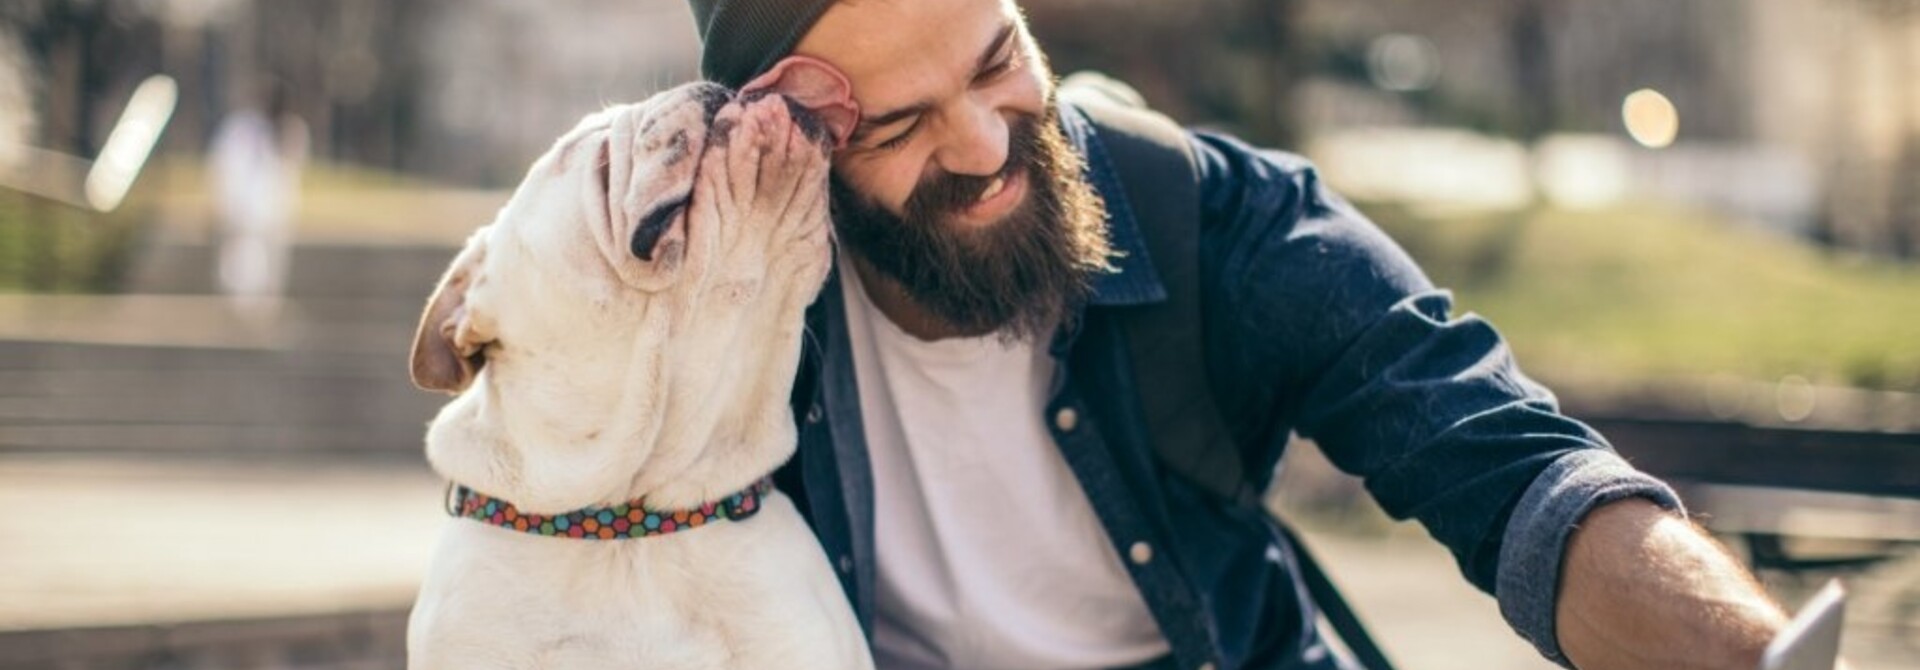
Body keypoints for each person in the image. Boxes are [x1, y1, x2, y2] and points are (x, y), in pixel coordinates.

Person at [684, 1, 1805, 668]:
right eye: (897, 123)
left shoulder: (1211, 217)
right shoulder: (716, 317)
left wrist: (1745, 657)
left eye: (995, 63)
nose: (983, 146)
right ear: (787, 147)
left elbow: (1506, 467)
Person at [208, 80, 307, 325]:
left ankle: (263, 316)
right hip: (243, 210)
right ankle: (239, 317)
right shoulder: (240, 129)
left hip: (274, 212)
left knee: (269, 270)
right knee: (241, 267)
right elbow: (225, 167)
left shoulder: (290, 130)